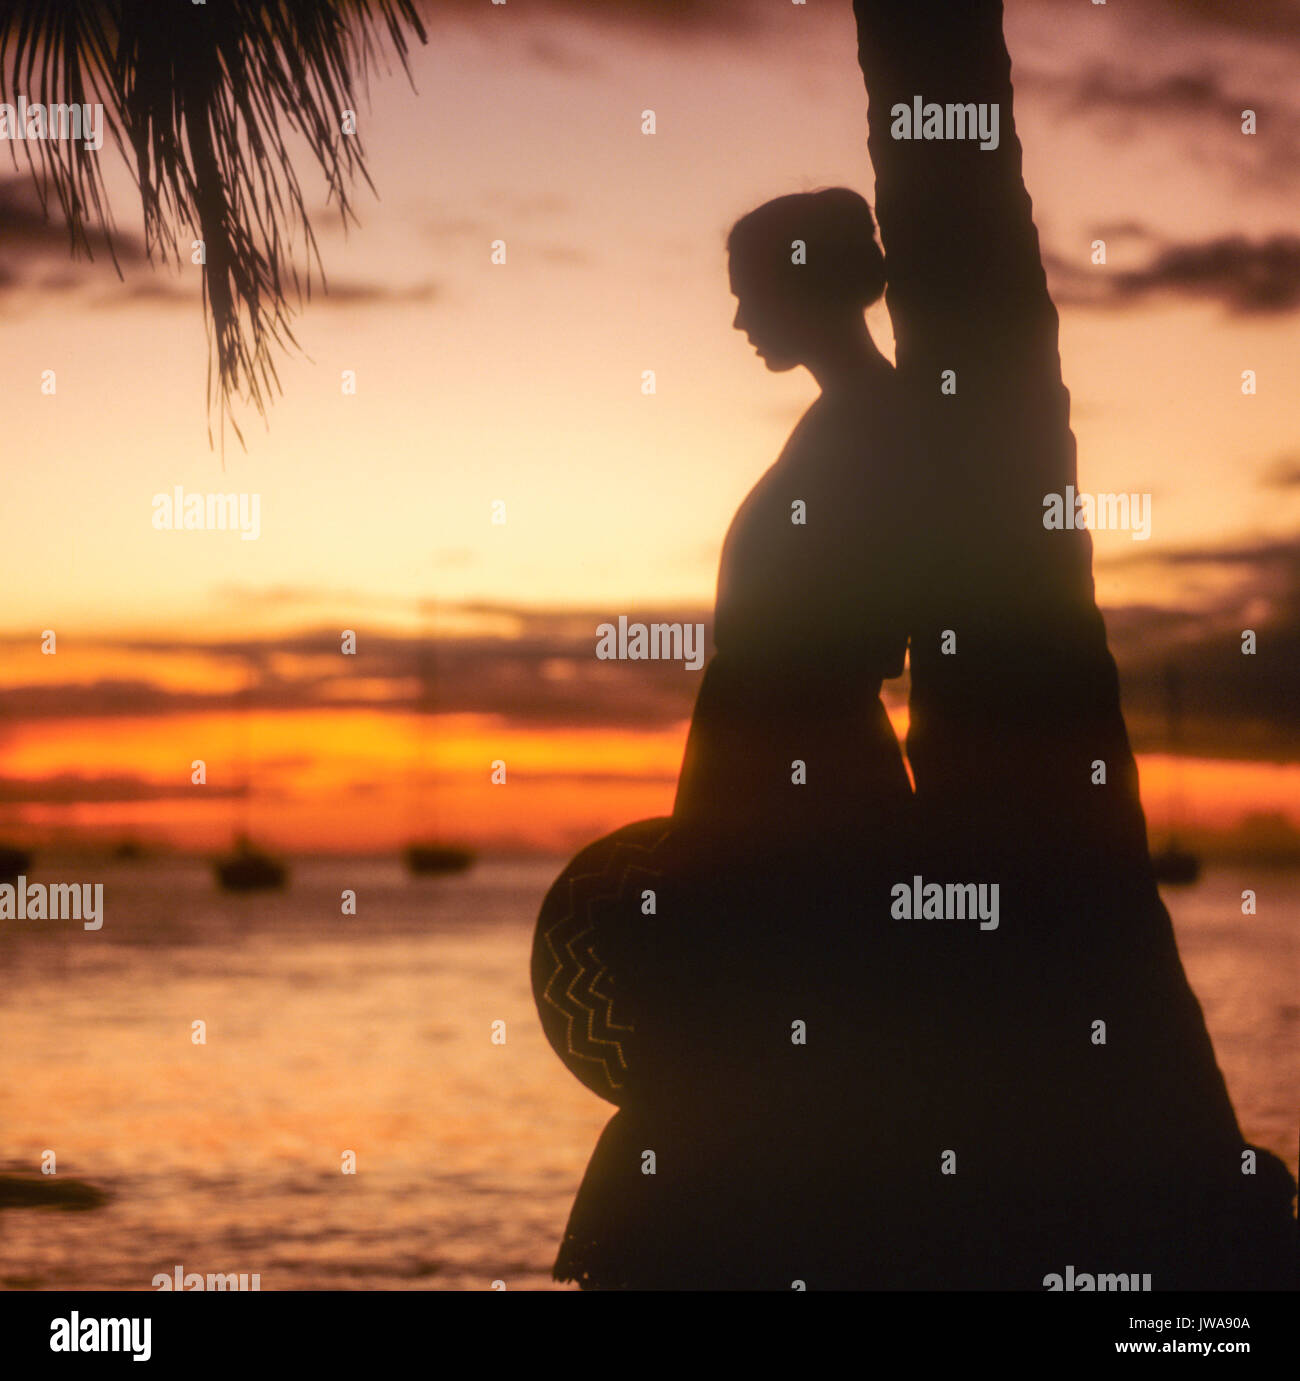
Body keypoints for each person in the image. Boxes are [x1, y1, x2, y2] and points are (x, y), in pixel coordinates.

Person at [532, 188, 923, 1288]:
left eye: (752, 295)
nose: (742, 320)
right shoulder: (845, 421)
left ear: (805, 285)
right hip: (775, 760)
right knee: (737, 1029)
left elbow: (881, 614)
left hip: (800, 771)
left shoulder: (872, 424)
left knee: (743, 1031)